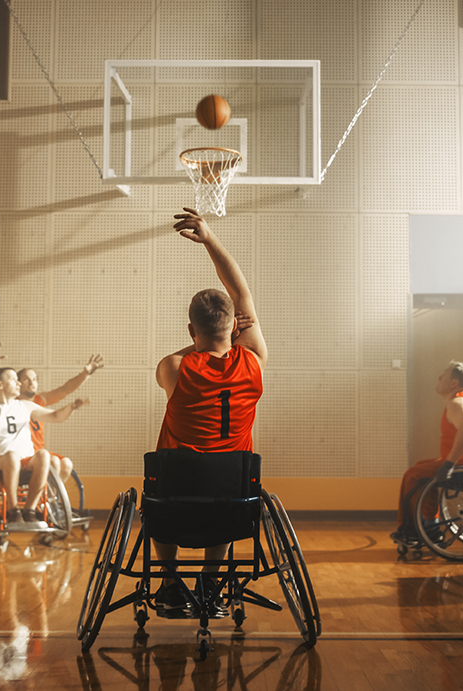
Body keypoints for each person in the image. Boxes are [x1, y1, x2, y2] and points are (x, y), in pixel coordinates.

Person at [153, 207, 267, 614]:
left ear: (190, 331)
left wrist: (202, 342)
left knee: (160, 484)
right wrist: (210, 238)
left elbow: (186, 349)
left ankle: (169, 584)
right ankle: (212, 582)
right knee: (228, 483)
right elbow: (242, 296)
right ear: (235, 329)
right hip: (231, 499)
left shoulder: (173, 368)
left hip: (174, 502)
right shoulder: (253, 359)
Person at [0, 366, 90, 527]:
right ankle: (13, 511)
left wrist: (71, 407)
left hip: (24, 462)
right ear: (0, 385)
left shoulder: (25, 406)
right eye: (13, 379)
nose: (18, 383)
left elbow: (54, 416)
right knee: (12, 456)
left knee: (43, 455)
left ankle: (30, 510)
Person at [393, 361, 463, 543]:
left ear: (454, 383)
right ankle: (430, 525)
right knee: (422, 467)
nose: (439, 378)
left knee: (413, 475)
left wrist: (448, 464)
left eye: (444, 375)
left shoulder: (457, 402)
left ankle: (413, 530)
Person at [0, 339, 103, 482]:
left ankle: (49, 501)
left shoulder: (40, 400)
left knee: (65, 464)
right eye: (26, 379)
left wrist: (85, 374)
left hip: (37, 453)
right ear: (17, 382)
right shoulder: (8, 401)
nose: (32, 383)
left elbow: (65, 389)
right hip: (15, 454)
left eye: (35, 379)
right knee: (48, 462)